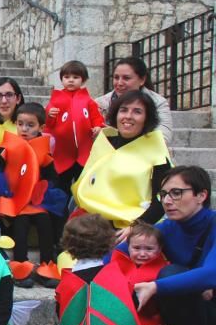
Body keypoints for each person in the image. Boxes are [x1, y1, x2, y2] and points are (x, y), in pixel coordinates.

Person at [131, 166, 216, 325]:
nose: (167, 201)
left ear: (201, 195)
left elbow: (212, 273)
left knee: (170, 275)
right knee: (170, 274)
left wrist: (155, 286)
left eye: (176, 193)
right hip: (196, 313)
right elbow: (117, 255)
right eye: (163, 194)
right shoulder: (166, 228)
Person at [72, 90, 171, 241]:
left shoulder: (156, 151)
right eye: (123, 110)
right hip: (95, 221)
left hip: (132, 225)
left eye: (137, 112)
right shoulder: (105, 141)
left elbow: (161, 199)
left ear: (147, 118)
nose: (128, 116)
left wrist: (136, 226)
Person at [0, 102, 61, 288]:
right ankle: (20, 264)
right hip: (15, 200)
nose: (24, 129)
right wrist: (1, 193)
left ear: (41, 127)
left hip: (36, 201)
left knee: (45, 222)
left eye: (30, 125)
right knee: (20, 224)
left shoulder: (43, 149)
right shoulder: (8, 146)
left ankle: (47, 264)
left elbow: (52, 176)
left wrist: (44, 189)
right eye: (20, 124)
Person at [45, 60, 105, 191]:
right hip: (62, 152)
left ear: (83, 80)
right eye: (67, 77)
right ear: (61, 80)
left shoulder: (88, 100)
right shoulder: (56, 99)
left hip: (84, 152)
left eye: (75, 77)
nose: (71, 80)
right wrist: (50, 115)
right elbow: (48, 124)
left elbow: (96, 117)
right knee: (61, 185)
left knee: (83, 183)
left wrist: (98, 126)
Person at [96, 56, 173, 146]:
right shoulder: (100, 103)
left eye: (126, 78)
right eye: (116, 77)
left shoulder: (158, 102)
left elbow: (163, 137)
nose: (119, 83)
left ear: (142, 80)